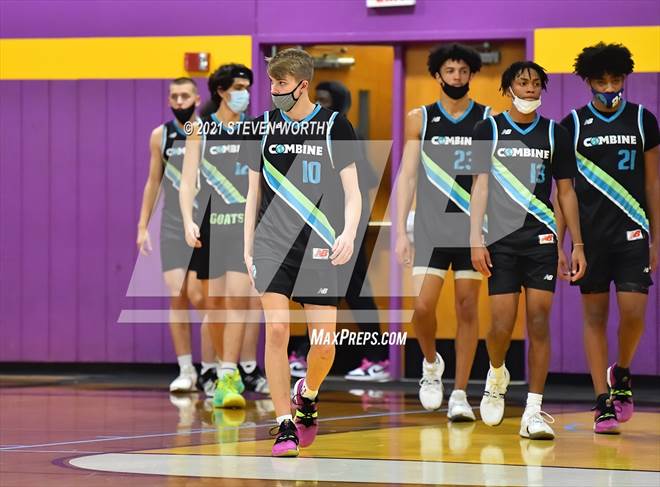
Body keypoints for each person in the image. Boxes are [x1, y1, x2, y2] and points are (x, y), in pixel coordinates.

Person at [243, 48, 361, 456]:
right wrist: (246, 248)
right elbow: (252, 193)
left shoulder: (334, 125)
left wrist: (348, 233)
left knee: (324, 345)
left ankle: (307, 395)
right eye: (272, 83)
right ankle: (283, 426)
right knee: (276, 330)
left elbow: (353, 191)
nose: (274, 90)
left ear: (302, 85)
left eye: (281, 83)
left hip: (320, 243)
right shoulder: (261, 127)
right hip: (271, 243)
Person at [470, 61, 586, 440]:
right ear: (509, 88)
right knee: (500, 325)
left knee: (538, 320)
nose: (531, 88)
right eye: (523, 83)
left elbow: (566, 192)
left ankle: (533, 411)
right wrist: (475, 238)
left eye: (536, 83)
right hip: (501, 241)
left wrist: (576, 244)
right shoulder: (487, 129)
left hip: (541, 240)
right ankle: (496, 373)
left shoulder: (555, 133)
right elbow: (480, 186)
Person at [557, 43, 659, 434]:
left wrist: (656, 238)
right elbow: (562, 191)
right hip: (590, 239)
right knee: (595, 317)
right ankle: (602, 401)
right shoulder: (572, 125)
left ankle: (623, 372)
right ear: (588, 82)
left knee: (634, 313)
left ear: (624, 79)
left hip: (632, 233)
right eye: (601, 81)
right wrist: (562, 244)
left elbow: (653, 183)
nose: (609, 87)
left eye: (616, 80)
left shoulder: (643, 120)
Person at [396, 43, 491, 419]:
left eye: (463, 71)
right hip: (430, 228)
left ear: (471, 75)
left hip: (470, 230)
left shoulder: (487, 118)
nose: (457, 77)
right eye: (450, 70)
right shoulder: (419, 118)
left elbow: (489, 180)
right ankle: (431, 364)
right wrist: (400, 232)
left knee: (467, 307)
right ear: (437, 75)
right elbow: (407, 175)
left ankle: (461, 393)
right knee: (422, 307)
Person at [288, 80, 389, 382]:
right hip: (318, 223)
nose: (319, 104)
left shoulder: (345, 132)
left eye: (326, 100)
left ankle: (379, 358)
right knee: (316, 289)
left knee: (355, 289)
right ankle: (306, 352)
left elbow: (366, 179)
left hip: (345, 225)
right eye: (317, 98)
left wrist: (348, 225)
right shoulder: (309, 132)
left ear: (340, 104)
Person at [180, 65, 267, 409]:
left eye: (247, 87)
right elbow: (187, 181)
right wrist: (188, 221)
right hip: (210, 226)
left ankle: (229, 373)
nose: (244, 93)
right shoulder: (199, 129)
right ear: (220, 90)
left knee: (237, 301)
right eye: (238, 87)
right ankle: (219, 369)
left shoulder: (254, 129)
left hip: (243, 227)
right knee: (212, 304)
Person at [136, 77, 216, 395]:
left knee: (199, 296)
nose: (179, 101)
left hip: (203, 222)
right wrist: (142, 226)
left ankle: (213, 366)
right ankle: (186, 370)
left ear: (197, 98)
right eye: (174, 96)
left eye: (185, 95)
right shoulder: (161, 135)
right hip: (171, 224)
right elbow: (153, 181)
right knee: (177, 295)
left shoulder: (209, 131)